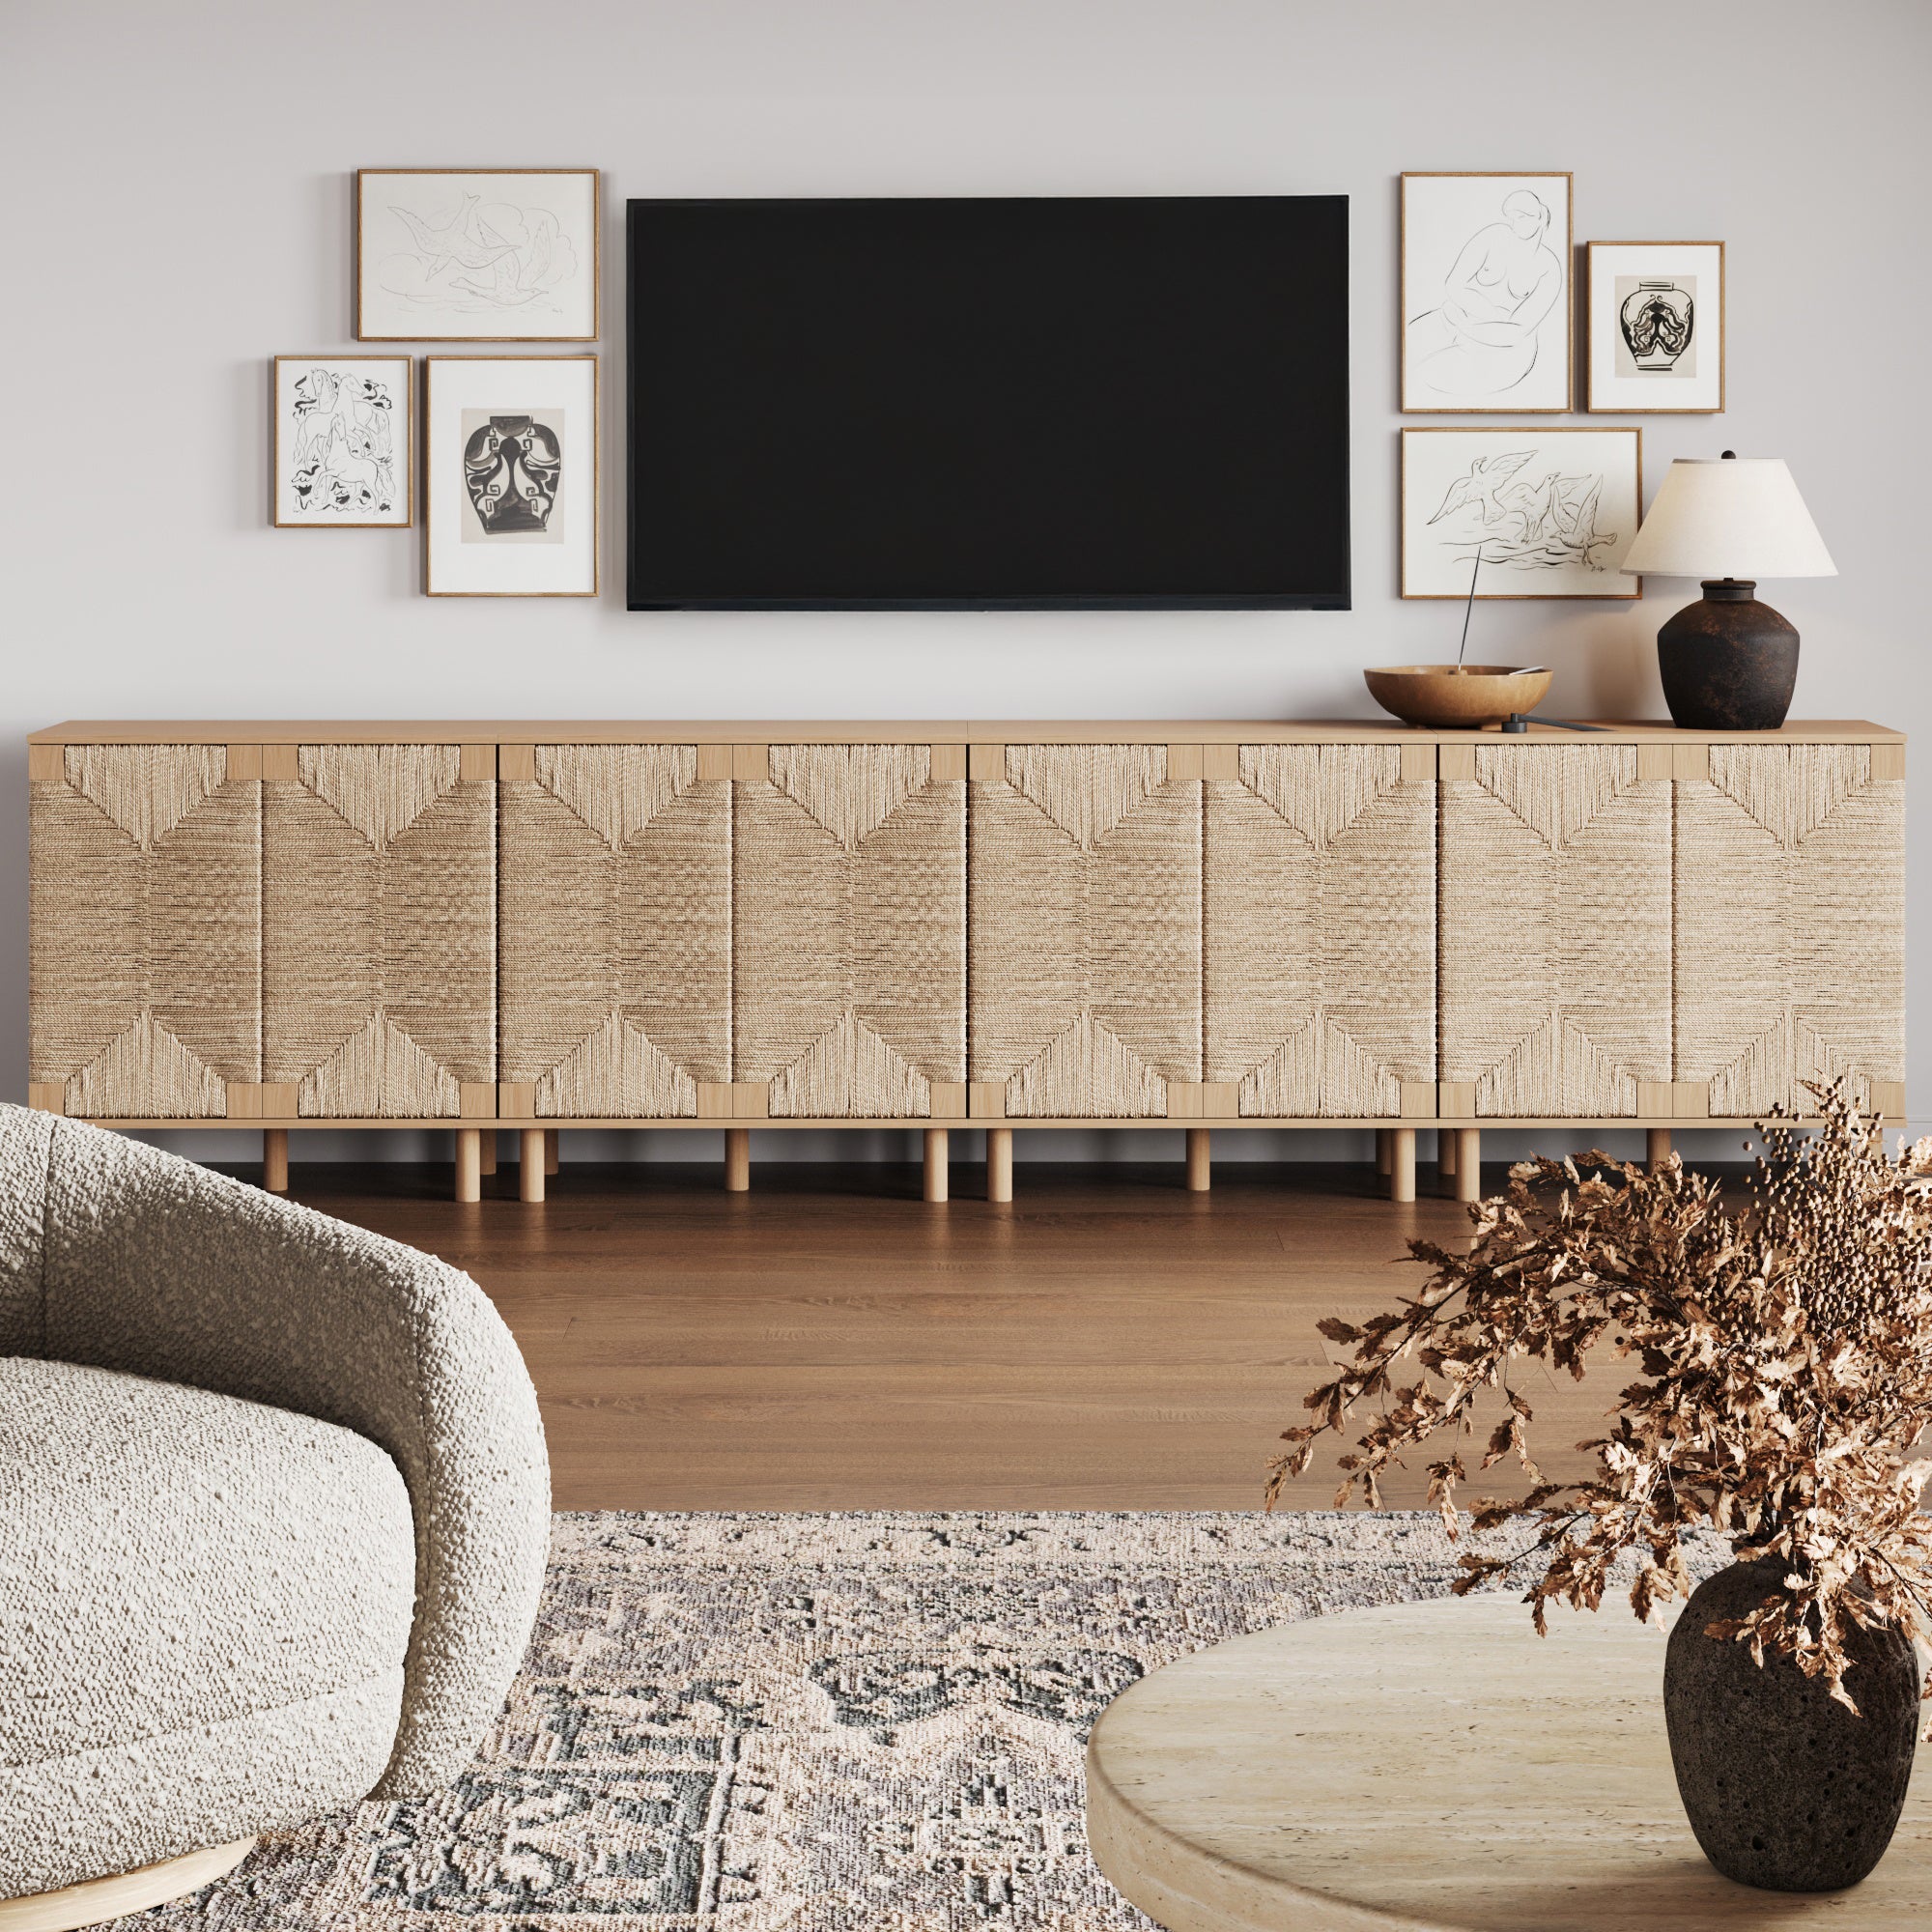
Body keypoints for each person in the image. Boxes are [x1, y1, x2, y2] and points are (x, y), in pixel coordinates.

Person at [1407, 190, 1562, 399]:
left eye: (1523, 216)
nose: (1516, 223)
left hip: (1503, 352)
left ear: (1541, 217)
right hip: (1453, 319)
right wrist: (1491, 314)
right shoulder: (1493, 236)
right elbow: (1453, 285)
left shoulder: (1549, 267)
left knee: (1424, 378)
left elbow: (1517, 331)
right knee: (1403, 351)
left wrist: (1467, 325)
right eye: (1513, 217)